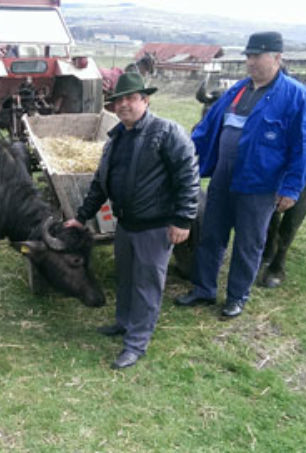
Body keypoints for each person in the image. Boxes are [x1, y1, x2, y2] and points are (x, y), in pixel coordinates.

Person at [64, 72, 200, 369]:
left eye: (130, 98)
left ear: (145, 100)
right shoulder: (116, 139)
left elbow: (188, 177)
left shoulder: (167, 132)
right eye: (118, 100)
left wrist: (183, 219)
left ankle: (137, 342)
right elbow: (100, 184)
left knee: (147, 284)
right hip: (125, 224)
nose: (124, 104)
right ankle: (124, 322)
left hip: (155, 226)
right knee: (126, 277)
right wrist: (81, 217)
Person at [175, 31, 306, 318]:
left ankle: (237, 296)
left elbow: (304, 145)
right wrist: (184, 154)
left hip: (259, 184)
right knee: (212, 235)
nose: (250, 62)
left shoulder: (295, 95)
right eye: (248, 56)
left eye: (257, 56)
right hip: (223, 177)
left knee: (248, 243)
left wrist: (291, 187)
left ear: (277, 57)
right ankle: (204, 289)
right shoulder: (237, 90)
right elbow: (208, 128)